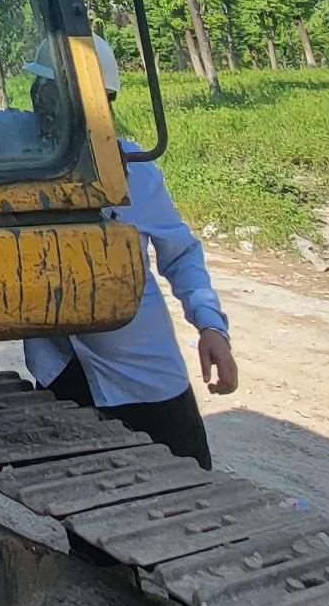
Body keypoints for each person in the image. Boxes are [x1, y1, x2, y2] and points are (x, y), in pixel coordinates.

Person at [22, 34, 237, 467]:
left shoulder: (135, 172)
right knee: (82, 495)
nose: (44, 104)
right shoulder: (18, 162)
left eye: (53, 93)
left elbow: (180, 254)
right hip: (62, 374)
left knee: (184, 485)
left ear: (100, 102)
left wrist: (211, 327)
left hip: (144, 382)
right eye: (43, 92)